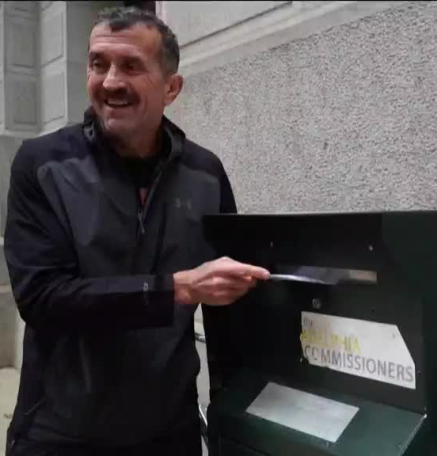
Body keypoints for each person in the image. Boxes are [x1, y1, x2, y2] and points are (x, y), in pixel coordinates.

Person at [3, 6, 269, 456]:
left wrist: (235, 417)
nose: (110, 81)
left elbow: (230, 314)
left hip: (170, 433)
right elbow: (42, 297)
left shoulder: (205, 174)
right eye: (98, 64)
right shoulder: (42, 164)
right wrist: (176, 289)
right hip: (60, 434)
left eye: (130, 66)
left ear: (171, 88)